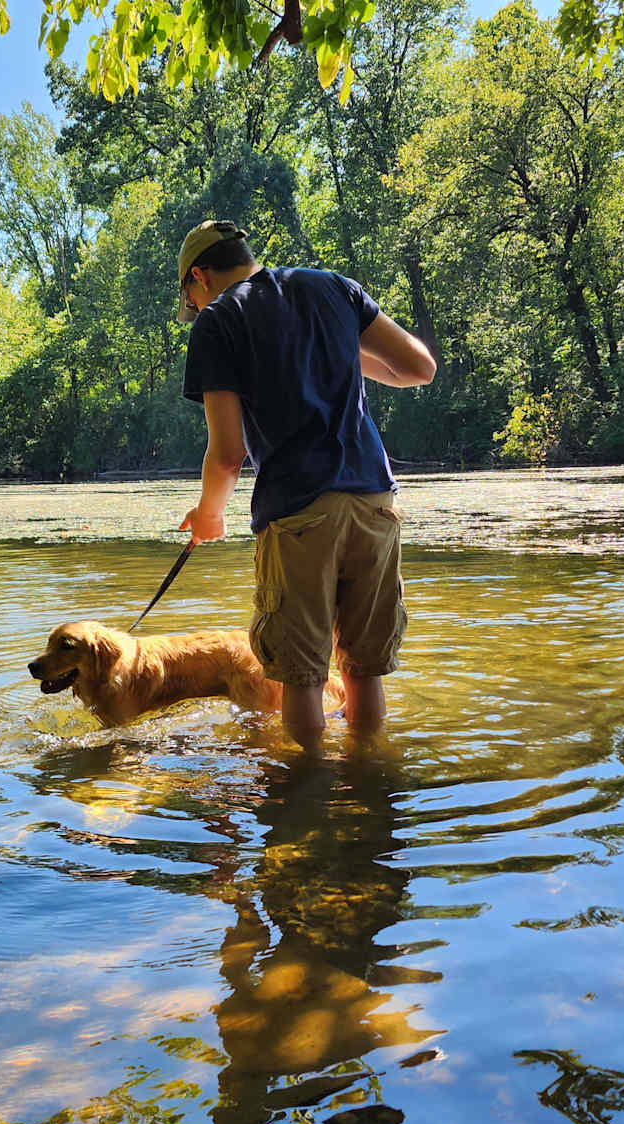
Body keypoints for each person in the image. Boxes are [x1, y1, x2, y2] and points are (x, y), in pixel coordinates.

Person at [175, 219, 437, 749]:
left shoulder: (218, 322)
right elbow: (418, 367)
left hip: (297, 511)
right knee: (363, 670)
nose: (195, 312)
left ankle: (307, 805)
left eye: (192, 301)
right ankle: (368, 793)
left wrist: (210, 515)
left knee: (301, 678)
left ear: (198, 277)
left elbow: (228, 454)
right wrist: (332, 349)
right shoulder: (333, 286)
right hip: (374, 502)